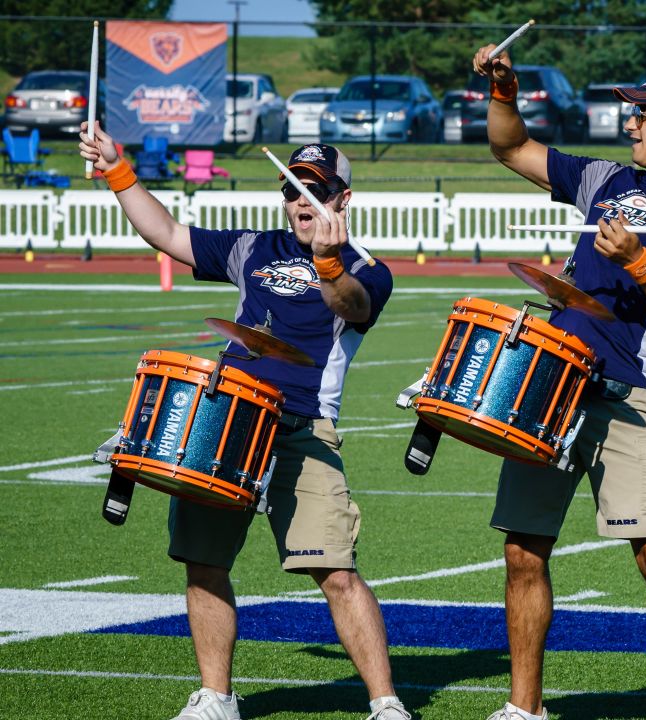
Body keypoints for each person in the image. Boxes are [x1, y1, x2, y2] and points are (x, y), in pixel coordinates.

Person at [79, 128, 407, 720]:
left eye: (316, 190)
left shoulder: (366, 269)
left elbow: (352, 306)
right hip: (227, 417)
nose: (301, 201)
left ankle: (385, 704)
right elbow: (168, 234)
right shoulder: (254, 247)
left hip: (303, 430)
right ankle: (216, 697)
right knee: (204, 562)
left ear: (344, 199)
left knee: (335, 570)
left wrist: (327, 263)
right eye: (291, 190)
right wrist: (117, 170)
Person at [471, 46, 646, 720]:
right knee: (522, 551)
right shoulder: (601, 178)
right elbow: (512, 148)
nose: (631, 124)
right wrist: (504, 90)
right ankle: (523, 708)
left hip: (628, 396)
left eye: (644, 114)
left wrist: (642, 261)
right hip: (550, 385)